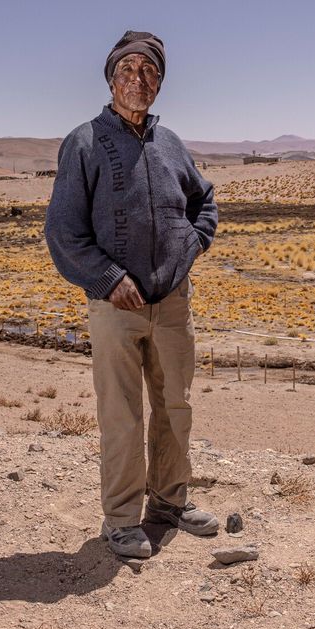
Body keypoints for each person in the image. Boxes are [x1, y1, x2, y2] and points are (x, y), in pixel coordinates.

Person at [45, 31, 219, 558]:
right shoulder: (83, 143)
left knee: (175, 406)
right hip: (115, 306)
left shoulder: (171, 144)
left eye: (149, 71)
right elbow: (64, 231)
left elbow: (203, 200)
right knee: (121, 413)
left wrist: (192, 245)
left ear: (159, 82)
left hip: (172, 303)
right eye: (128, 69)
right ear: (111, 78)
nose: (138, 79)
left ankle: (169, 502)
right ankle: (121, 519)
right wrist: (108, 278)